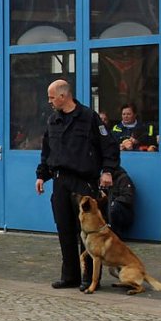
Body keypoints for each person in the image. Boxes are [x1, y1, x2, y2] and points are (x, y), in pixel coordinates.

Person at [35, 79, 119, 290]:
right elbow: (47, 151)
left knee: (88, 232)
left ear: (63, 96)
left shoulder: (89, 117)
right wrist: (41, 175)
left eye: (52, 97)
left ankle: (89, 277)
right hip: (60, 181)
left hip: (83, 182)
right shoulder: (53, 120)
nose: (49, 101)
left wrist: (107, 170)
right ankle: (70, 276)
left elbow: (109, 145)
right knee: (64, 229)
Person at [107, 166, 135, 237]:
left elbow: (128, 197)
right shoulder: (103, 179)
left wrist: (114, 201)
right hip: (108, 214)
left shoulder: (123, 179)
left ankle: (116, 234)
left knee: (114, 206)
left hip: (123, 215)